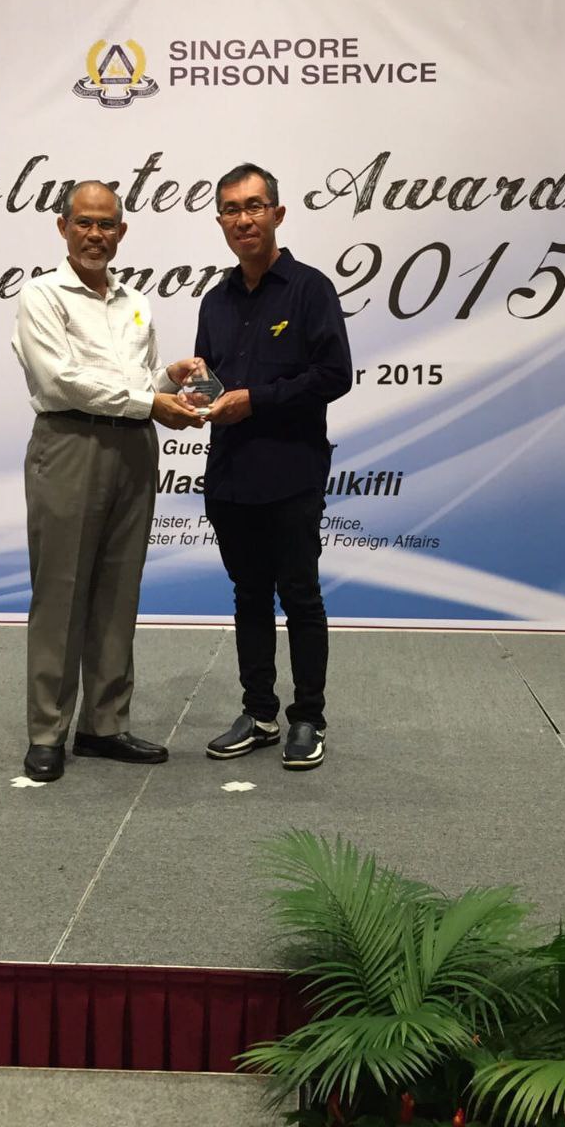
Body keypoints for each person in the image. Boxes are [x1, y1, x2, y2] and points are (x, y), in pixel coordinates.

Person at [12, 180, 202, 783]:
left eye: (108, 224)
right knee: (61, 591)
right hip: (69, 442)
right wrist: (149, 401)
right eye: (85, 222)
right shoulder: (42, 296)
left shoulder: (135, 301)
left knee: (119, 590)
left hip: (132, 447)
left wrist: (167, 380)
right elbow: (62, 380)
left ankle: (104, 725)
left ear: (122, 231)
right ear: (62, 226)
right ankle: (47, 731)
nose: (96, 234)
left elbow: (140, 378)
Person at [194, 163, 352, 771]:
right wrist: (193, 384)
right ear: (221, 223)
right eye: (231, 210)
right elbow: (214, 385)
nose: (243, 219)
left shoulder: (310, 289)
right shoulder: (215, 299)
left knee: (301, 597)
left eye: (254, 206)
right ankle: (259, 711)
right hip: (230, 475)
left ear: (278, 215)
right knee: (248, 596)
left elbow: (334, 375)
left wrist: (255, 399)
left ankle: (308, 717)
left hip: (291, 472)